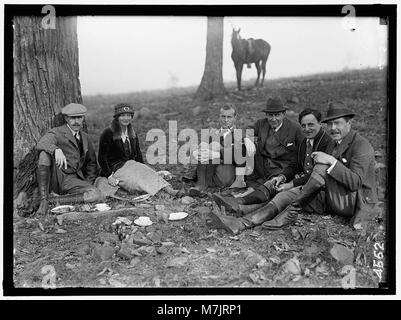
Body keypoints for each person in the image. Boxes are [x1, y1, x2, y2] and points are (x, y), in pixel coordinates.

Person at [209, 108, 332, 234]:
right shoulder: (305, 140)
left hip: (318, 191)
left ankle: (241, 222)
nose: (307, 129)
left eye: (311, 125)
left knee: (280, 197)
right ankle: (239, 206)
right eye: (304, 125)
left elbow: (318, 176)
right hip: (302, 182)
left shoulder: (327, 142)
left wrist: (291, 184)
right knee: (274, 183)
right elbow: (296, 165)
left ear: (320, 123)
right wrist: (282, 177)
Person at [260, 102, 379, 230]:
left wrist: (331, 161)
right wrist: (289, 183)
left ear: (349, 123)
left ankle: (291, 212)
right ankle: (247, 218)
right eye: (329, 124)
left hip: (354, 201)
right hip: (332, 195)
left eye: (337, 123)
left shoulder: (361, 145)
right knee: (286, 196)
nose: (333, 128)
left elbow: (355, 182)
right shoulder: (333, 143)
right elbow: (303, 170)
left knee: (320, 167)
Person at [213, 97, 304, 214]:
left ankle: (239, 202)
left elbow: (303, 152)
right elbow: (244, 130)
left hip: (282, 169)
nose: (273, 119)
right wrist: (246, 138)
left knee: (273, 186)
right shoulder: (262, 124)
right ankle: (241, 185)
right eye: (270, 115)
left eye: (277, 115)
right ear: (266, 115)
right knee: (242, 147)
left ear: (284, 114)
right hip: (262, 165)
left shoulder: (295, 128)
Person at [98, 103, 183, 197]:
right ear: (117, 117)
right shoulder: (108, 133)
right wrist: (109, 176)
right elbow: (102, 157)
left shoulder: (132, 133)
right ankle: (162, 194)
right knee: (136, 181)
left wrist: (143, 167)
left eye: (128, 115)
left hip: (132, 165)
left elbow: (137, 153)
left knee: (147, 172)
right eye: (122, 115)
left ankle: (170, 190)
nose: (126, 118)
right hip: (116, 168)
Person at [35, 103, 101, 215]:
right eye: (72, 118)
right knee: (43, 155)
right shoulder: (57, 132)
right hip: (56, 177)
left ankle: (53, 200)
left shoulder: (85, 137)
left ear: (83, 118)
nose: (76, 121)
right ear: (66, 118)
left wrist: (87, 182)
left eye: (79, 117)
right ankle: (43, 200)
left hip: (72, 180)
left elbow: (91, 163)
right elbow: (42, 143)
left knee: (95, 194)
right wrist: (56, 150)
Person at [188, 103, 256, 197]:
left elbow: (241, 155)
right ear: (219, 117)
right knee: (207, 146)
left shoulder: (240, 134)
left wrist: (217, 153)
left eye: (229, 117)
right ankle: (201, 185)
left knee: (215, 146)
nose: (226, 120)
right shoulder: (213, 133)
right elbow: (198, 150)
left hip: (230, 176)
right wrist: (196, 152)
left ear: (235, 117)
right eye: (223, 116)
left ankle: (204, 184)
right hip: (212, 176)